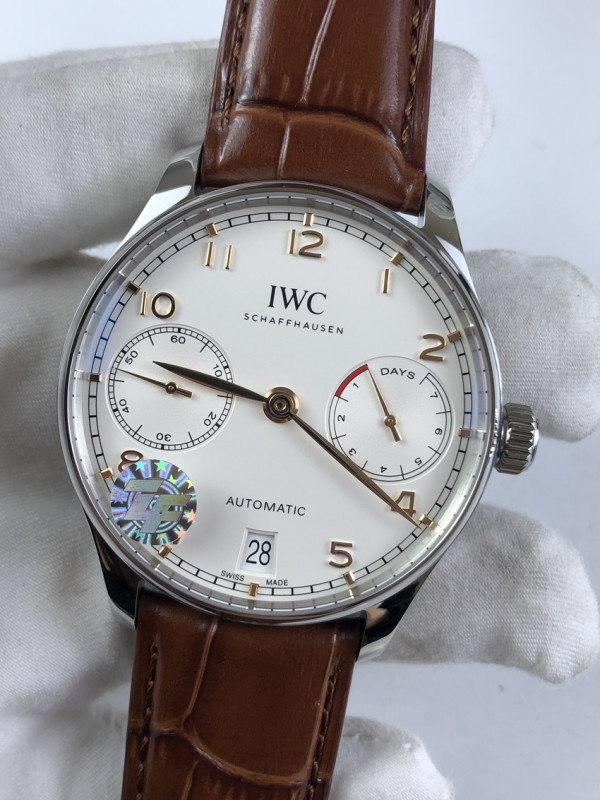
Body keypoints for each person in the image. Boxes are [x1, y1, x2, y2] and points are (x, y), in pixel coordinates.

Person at [0, 39, 597, 799]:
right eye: (277, 402)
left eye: (282, 404)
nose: (281, 405)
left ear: (499, 441)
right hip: (177, 552)